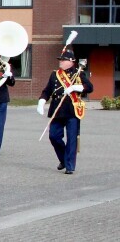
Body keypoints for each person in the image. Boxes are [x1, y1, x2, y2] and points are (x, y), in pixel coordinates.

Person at [38, 44, 92, 174]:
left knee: (72, 138)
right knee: (53, 136)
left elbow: (89, 87)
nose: (60, 62)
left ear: (71, 61)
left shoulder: (78, 73)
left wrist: (75, 87)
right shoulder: (55, 74)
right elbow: (47, 91)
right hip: (57, 108)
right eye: (60, 60)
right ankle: (63, 158)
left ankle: (69, 166)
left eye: (63, 60)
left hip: (72, 109)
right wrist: (41, 101)